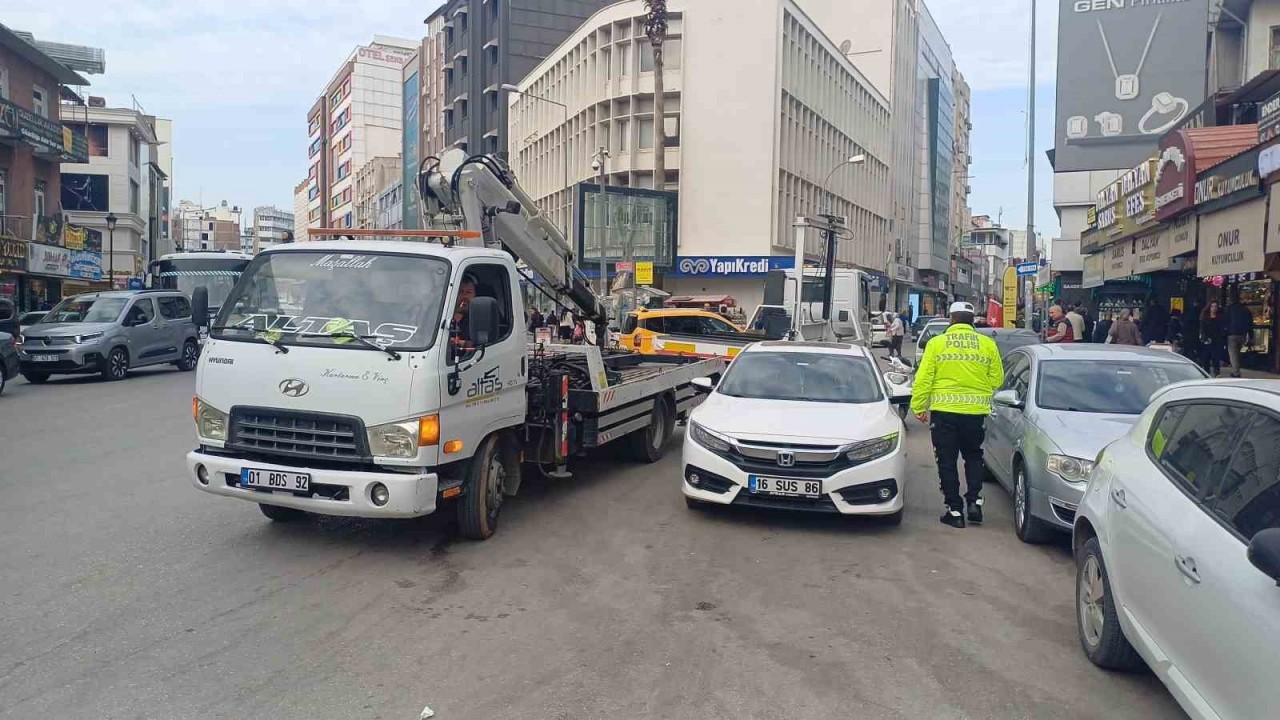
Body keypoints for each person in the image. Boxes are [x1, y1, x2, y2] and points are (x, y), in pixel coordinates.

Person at [910, 301, 1004, 529]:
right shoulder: (987, 344)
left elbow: (924, 378)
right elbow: (997, 380)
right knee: (973, 456)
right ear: (973, 321)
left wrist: (918, 406)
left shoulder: (937, 344)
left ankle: (954, 510)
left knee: (947, 460)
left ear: (951, 320)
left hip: (944, 414)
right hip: (975, 414)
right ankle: (975, 503)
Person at [1225, 295, 1253, 378]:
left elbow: (1225, 321)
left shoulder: (1229, 309)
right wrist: (1250, 335)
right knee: (1237, 353)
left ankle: (1236, 372)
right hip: (1242, 334)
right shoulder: (1245, 309)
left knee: (1233, 354)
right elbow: (1250, 323)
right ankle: (1235, 369)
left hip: (1232, 334)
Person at [1200, 301, 1226, 377]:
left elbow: (1221, 329)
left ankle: (1217, 373)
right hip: (1207, 341)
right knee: (1206, 359)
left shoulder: (1220, 318)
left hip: (1217, 340)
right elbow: (1202, 330)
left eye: (1215, 306)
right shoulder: (1204, 318)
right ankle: (1206, 373)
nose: (1214, 308)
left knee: (1216, 358)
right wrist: (1205, 338)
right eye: (1212, 306)